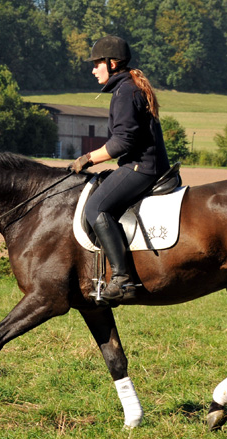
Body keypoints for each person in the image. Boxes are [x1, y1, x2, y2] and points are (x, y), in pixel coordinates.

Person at [69, 35, 170, 302]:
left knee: (95, 208)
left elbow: (122, 142)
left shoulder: (125, 92)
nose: (93, 70)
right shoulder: (128, 87)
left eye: (96, 64)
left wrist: (87, 158)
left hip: (142, 168)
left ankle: (123, 279)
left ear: (112, 63)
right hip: (144, 165)